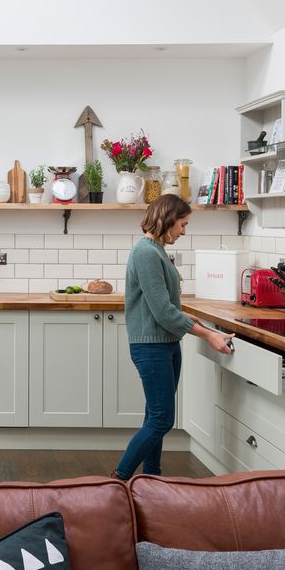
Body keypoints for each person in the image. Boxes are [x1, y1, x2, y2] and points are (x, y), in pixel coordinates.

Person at [113, 194, 234, 480]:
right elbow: (163, 312)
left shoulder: (155, 250)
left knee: (155, 416)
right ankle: (119, 480)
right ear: (168, 220)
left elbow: (165, 306)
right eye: (183, 224)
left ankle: (151, 478)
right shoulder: (146, 253)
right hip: (151, 347)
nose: (184, 231)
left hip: (165, 344)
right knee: (162, 418)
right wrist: (207, 335)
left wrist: (191, 321)